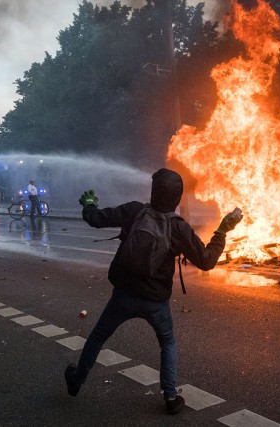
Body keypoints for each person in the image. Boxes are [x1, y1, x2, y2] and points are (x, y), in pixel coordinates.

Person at [64, 168, 242, 415]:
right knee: (167, 342)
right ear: (177, 198)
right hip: (155, 300)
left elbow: (96, 219)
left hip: (123, 294)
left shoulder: (135, 211)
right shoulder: (178, 227)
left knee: (98, 336)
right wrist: (222, 230)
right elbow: (207, 261)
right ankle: (170, 397)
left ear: (153, 191)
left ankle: (77, 380)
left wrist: (90, 205)